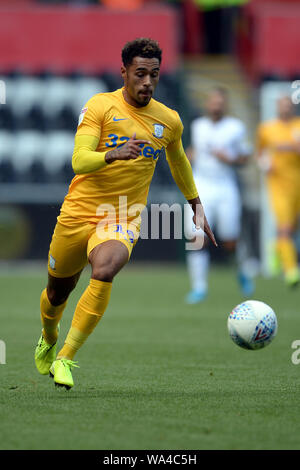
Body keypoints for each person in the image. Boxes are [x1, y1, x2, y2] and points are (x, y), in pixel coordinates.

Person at [34, 38, 217, 389]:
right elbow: (78, 159)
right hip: (79, 211)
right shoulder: (100, 106)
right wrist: (111, 155)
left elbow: (178, 161)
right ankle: (48, 334)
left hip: (122, 214)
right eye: (140, 74)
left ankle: (66, 357)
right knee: (58, 292)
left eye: (154, 75)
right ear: (124, 72)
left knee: (105, 268)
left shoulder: (169, 121)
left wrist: (196, 204)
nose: (147, 82)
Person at [184, 87, 253, 304]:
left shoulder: (235, 128)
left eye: (220, 102)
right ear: (208, 104)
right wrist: (189, 155)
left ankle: (240, 270)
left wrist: (230, 158)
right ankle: (199, 288)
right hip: (201, 186)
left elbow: (245, 157)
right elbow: (193, 150)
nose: (216, 106)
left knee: (230, 239)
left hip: (225, 187)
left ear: (225, 105)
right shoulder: (198, 126)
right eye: (213, 102)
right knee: (196, 237)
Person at [256, 95, 300, 287]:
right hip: (278, 185)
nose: (285, 109)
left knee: (293, 227)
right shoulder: (267, 129)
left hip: (297, 183)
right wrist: (265, 164)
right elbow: (260, 154)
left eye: (288, 105)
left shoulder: (298, 126)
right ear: (276, 107)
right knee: (285, 228)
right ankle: (291, 271)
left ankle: (276, 248)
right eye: (282, 105)